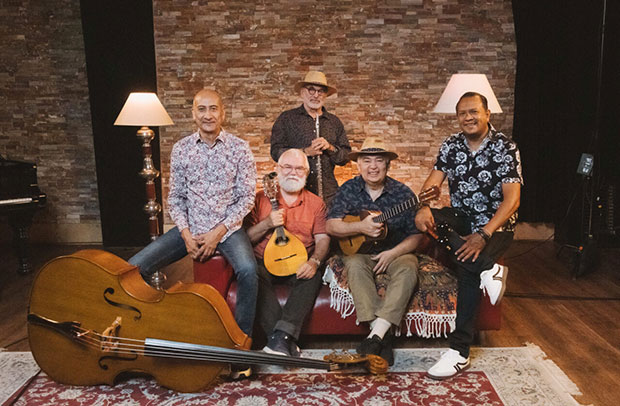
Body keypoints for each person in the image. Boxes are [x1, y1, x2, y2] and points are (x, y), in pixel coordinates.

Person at [128, 90, 259, 377]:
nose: (208, 115)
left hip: (227, 229)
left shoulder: (239, 148)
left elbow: (246, 198)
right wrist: (186, 234)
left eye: (213, 109)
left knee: (249, 271)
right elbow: (175, 198)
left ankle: (241, 349)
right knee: (134, 267)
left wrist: (217, 233)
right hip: (189, 228)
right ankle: (140, 335)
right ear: (193, 114)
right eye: (202, 109)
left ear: (223, 113)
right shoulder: (182, 149)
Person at [415, 91, 522, 380]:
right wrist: (423, 206)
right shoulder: (450, 145)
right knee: (424, 219)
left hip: (497, 225)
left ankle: (459, 351)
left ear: (487, 114)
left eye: (474, 111)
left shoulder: (506, 147)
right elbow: (433, 182)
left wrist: (483, 234)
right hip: (462, 218)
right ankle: (489, 269)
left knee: (466, 268)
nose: (468, 117)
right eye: (462, 113)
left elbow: (512, 200)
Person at [325, 137, 422, 366]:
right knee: (354, 264)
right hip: (360, 252)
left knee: (410, 267)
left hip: (396, 251)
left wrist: (393, 253)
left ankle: (373, 338)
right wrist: (360, 227)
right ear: (359, 165)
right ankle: (381, 338)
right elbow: (331, 225)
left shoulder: (403, 194)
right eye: (367, 161)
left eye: (379, 160)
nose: (373, 166)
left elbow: (416, 235)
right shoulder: (348, 189)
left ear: (387, 165)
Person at [245, 148, 330, 357]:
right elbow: (245, 239)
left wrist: (314, 261)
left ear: (306, 173)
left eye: (299, 168)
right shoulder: (259, 199)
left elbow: (323, 239)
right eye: (287, 167)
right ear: (277, 169)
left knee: (313, 276)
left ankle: (279, 338)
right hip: (263, 262)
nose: (293, 172)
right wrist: (266, 224)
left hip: (298, 263)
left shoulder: (316, 203)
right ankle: (283, 340)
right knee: (251, 274)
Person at [270, 71, 351, 203]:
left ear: (325, 95)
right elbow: (275, 152)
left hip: (329, 196)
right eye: (311, 90)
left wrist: (330, 148)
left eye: (321, 91)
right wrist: (305, 152)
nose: (316, 95)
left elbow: (345, 157)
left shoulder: (334, 122)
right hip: (297, 195)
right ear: (302, 92)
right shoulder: (286, 119)